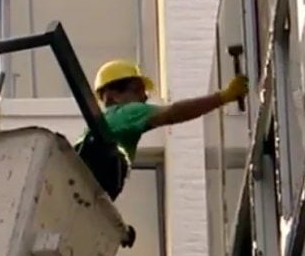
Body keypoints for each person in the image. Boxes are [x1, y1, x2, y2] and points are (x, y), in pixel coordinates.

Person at [76, 59, 249, 200]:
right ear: (111, 95)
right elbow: (174, 113)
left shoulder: (100, 126)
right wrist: (224, 96)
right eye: (137, 90)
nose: (144, 97)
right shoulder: (126, 112)